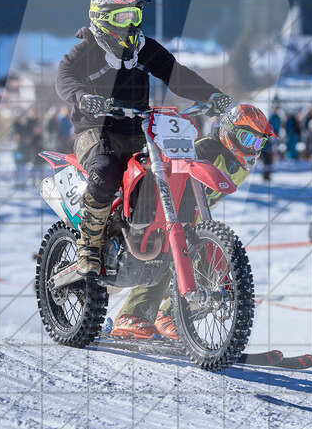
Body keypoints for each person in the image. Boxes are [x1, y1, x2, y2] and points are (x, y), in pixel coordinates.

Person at [55, 0, 231, 279]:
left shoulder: (143, 48)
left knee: (169, 169)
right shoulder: (87, 49)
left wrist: (210, 95)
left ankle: (181, 235)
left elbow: (176, 75)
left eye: (134, 16)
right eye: (122, 17)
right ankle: (88, 245)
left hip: (140, 129)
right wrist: (84, 97)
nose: (131, 24)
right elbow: (65, 78)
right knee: (106, 168)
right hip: (96, 131)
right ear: (101, 18)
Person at [110, 104, 277, 339]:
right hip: (163, 213)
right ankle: (134, 314)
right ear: (229, 131)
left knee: (216, 268)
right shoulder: (204, 150)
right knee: (169, 255)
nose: (252, 147)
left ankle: (173, 315)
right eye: (248, 138)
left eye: (259, 142)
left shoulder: (240, 166)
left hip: (192, 221)